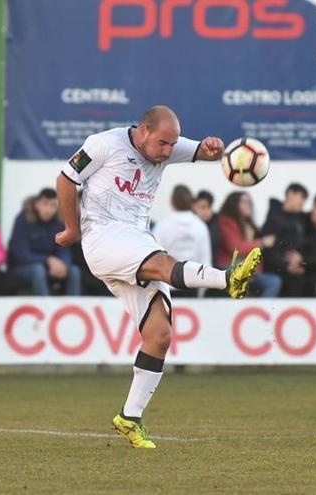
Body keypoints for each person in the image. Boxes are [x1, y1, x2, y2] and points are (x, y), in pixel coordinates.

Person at [55, 105, 262, 448]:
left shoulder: (168, 144)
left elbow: (209, 153)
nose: (168, 152)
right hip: (104, 238)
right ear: (144, 131)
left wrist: (214, 148)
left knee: (160, 333)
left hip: (136, 240)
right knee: (163, 262)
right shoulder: (103, 144)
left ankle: (129, 418)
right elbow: (65, 179)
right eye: (163, 144)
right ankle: (227, 279)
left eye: (172, 145)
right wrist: (71, 229)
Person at [7, 188, 80, 295]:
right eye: (45, 204)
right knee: (38, 270)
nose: (49, 209)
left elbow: (64, 249)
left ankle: (74, 309)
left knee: (73, 271)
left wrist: (63, 264)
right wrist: (48, 260)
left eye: (53, 205)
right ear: (37, 204)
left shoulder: (59, 222)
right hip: (21, 268)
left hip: (49, 268)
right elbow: (21, 255)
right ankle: (45, 308)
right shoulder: (23, 220)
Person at [216, 191, 281, 298]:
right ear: (234, 204)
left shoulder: (249, 225)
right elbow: (237, 248)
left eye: (249, 202)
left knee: (274, 281)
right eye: (244, 202)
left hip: (249, 271)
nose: (248, 205)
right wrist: (262, 242)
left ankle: (260, 311)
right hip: (229, 269)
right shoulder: (226, 222)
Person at [153, 185, 212, 297]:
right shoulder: (200, 226)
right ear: (191, 203)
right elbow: (205, 260)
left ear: (172, 202)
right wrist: (202, 290)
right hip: (192, 284)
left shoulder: (163, 225)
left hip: (167, 286)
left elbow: (155, 258)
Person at [261, 183, 308, 297]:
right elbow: (268, 250)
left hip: (293, 268)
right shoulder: (273, 218)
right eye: (301, 197)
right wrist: (286, 266)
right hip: (276, 269)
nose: (302, 202)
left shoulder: (300, 219)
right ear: (290, 194)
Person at [193, 190, 220, 259]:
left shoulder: (216, 222)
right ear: (194, 207)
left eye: (209, 207)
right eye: (203, 207)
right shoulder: (189, 223)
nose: (206, 211)